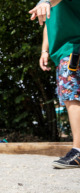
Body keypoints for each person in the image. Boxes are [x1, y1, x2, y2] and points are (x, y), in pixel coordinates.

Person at [30, 0, 80, 168]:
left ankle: (78, 151)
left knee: (72, 98)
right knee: (69, 97)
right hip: (63, 52)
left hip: (73, 47)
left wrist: (45, 2)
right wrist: (45, 50)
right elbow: (48, 24)